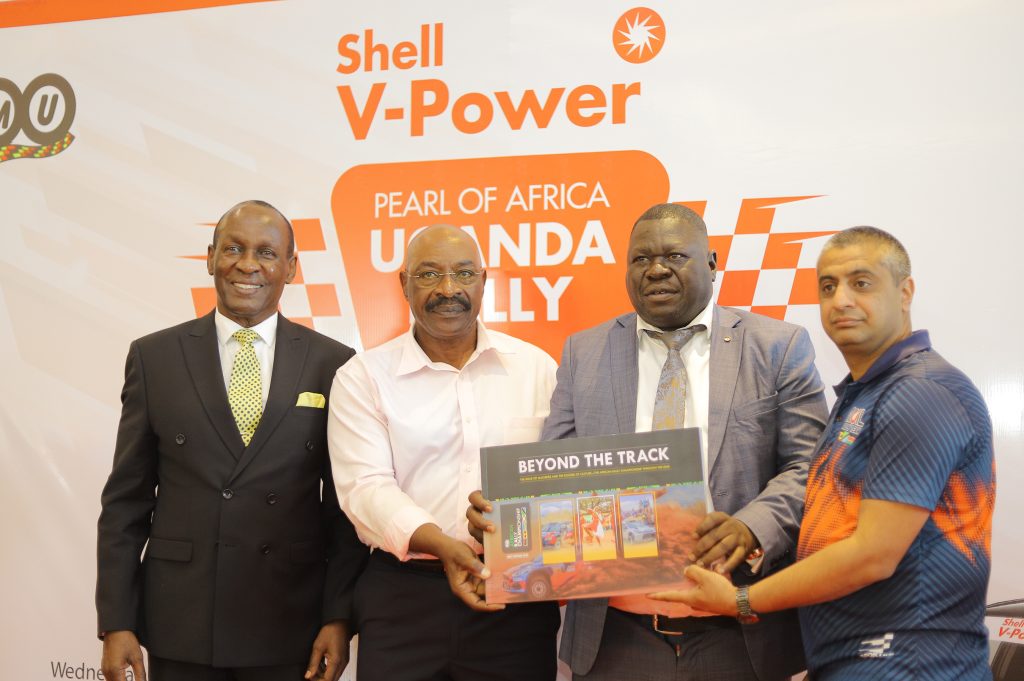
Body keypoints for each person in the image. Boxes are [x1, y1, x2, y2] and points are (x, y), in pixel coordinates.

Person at [469, 202, 829, 681]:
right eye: (641, 259)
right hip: (617, 636)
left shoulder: (777, 346)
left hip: (738, 631)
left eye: (675, 256)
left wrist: (751, 526)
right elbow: (552, 476)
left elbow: (812, 468)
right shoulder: (584, 351)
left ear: (712, 263)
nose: (656, 269)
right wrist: (506, 515)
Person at [652, 226, 996, 680]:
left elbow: (873, 554)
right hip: (854, 660)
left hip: (910, 664)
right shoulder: (866, 393)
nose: (841, 300)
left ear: (905, 292)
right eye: (828, 287)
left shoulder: (921, 391)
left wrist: (741, 600)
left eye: (862, 283)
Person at [96, 200, 368, 681]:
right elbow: (125, 503)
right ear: (210, 258)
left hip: (289, 619)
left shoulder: (334, 362)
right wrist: (117, 622)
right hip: (182, 618)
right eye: (233, 249)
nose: (247, 265)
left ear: (291, 268)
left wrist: (338, 616)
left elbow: (344, 509)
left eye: (266, 252)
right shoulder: (155, 357)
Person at [327, 225, 561, 681]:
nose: (448, 289)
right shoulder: (363, 377)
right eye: (429, 274)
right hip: (403, 601)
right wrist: (442, 544)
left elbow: (560, 476)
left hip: (514, 600)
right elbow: (366, 488)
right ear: (404, 284)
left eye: (464, 273)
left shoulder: (537, 368)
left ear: (484, 281)